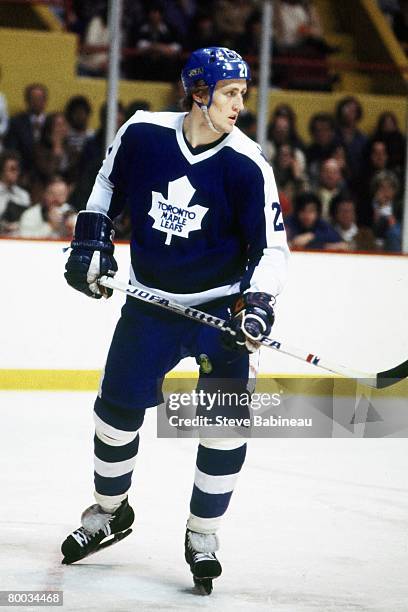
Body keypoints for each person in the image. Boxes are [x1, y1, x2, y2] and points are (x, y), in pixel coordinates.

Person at [62, 46, 289, 594]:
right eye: (230, 94)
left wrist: (257, 303)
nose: (240, 105)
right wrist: (92, 238)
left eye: (242, 95)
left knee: (223, 426)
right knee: (113, 415)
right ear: (198, 93)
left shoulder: (248, 163)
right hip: (150, 305)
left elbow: (272, 248)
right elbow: (107, 184)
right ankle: (110, 512)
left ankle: (202, 535)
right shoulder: (142, 133)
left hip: (218, 313)